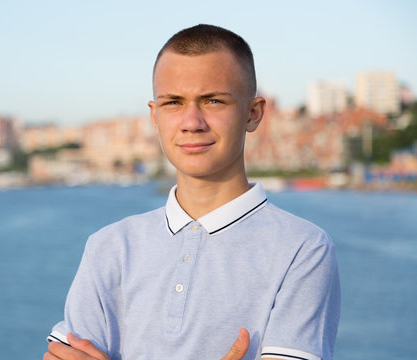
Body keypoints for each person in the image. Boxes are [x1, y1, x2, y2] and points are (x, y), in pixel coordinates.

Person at [44, 24, 340, 360]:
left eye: (213, 100)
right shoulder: (109, 247)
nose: (191, 122)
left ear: (253, 113)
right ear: (155, 115)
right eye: (173, 102)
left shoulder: (303, 249)